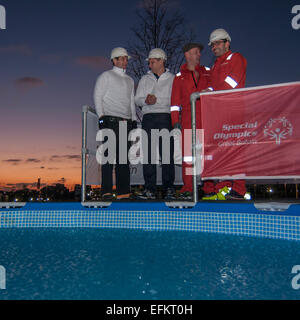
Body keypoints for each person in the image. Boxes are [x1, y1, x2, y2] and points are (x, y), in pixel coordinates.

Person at [202, 28, 248, 200]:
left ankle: (239, 189)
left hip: (234, 110)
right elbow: (215, 86)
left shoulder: (236, 58)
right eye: (212, 45)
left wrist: (211, 92)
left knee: (235, 149)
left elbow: (233, 82)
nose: (214, 47)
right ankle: (224, 187)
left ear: (227, 43)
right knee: (222, 150)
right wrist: (209, 91)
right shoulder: (215, 65)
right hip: (219, 112)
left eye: (217, 43)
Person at [94, 47, 137, 200]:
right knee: (108, 158)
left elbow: (131, 101)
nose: (125, 61)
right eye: (122, 58)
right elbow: (97, 96)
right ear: (114, 60)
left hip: (125, 122)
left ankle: (123, 193)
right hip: (110, 120)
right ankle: (106, 192)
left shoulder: (130, 80)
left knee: (123, 159)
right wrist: (101, 116)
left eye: (126, 59)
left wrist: (134, 120)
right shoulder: (106, 76)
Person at [170, 43, 210, 200]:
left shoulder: (207, 72)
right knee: (188, 156)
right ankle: (188, 187)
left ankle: (210, 188)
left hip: (207, 116)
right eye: (195, 52)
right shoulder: (179, 77)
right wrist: (175, 121)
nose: (199, 55)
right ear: (187, 55)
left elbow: (215, 88)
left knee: (208, 154)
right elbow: (174, 102)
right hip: (187, 118)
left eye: (199, 52)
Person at [135, 48, 176, 200]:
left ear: (161, 61)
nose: (150, 65)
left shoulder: (172, 78)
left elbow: (175, 99)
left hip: (165, 117)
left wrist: (158, 100)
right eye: (150, 62)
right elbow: (136, 99)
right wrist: (145, 100)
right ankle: (149, 189)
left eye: (153, 62)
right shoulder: (144, 79)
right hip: (148, 118)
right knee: (149, 155)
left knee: (167, 155)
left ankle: (169, 188)